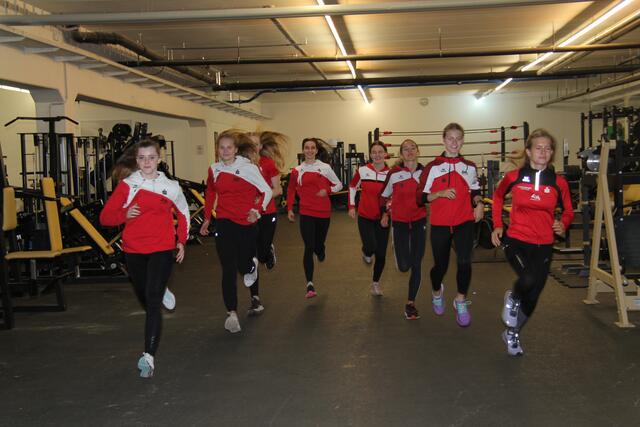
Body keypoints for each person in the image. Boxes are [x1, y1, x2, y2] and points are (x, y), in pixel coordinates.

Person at [100, 139, 189, 378]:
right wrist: (124, 214)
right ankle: (161, 291)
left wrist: (181, 240)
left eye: (151, 157)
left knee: (151, 302)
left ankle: (148, 356)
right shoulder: (128, 185)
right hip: (134, 250)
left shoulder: (171, 186)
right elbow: (105, 218)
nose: (147, 162)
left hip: (162, 247)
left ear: (159, 159)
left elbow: (183, 214)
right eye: (142, 158)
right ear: (136, 161)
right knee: (144, 295)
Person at [490, 128, 573, 356]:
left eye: (547, 148)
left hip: (544, 243)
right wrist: (498, 224)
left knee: (534, 294)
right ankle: (513, 297)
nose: (543, 152)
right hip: (516, 240)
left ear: (552, 152)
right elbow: (497, 198)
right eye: (538, 148)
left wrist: (563, 224)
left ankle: (513, 332)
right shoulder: (514, 177)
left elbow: (568, 211)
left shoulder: (558, 182)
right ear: (528, 151)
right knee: (526, 279)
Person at [200, 130, 273, 333]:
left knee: (243, 265)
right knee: (228, 268)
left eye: (229, 147)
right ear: (217, 150)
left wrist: (256, 212)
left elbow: (266, 190)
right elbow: (211, 192)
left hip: (246, 222)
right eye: (221, 147)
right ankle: (231, 313)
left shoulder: (248, 168)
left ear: (235, 149)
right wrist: (207, 218)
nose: (225, 151)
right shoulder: (214, 169)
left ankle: (251, 266)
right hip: (224, 222)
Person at [418, 123, 484, 327]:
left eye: (458, 138)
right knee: (441, 266)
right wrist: (438, 194)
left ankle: (460, 300)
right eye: (450, 138)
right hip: (440, 224)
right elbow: (420, 198)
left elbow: (474, 191)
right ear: (443, 140)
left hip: (464, 221)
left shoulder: (470, 166)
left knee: (464, 261)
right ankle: (437, 291)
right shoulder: (432, 167)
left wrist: (479, 203)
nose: (454, 142)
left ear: (463, 140)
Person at [287, 137, 343, 298]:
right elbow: (291, 190)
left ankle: (321, 249)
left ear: (316, 151)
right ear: (303, 150)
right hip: (306, 212)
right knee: (308, 246)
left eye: (312, 148)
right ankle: (310, 284)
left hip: (323, 212)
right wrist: (290, 208)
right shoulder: (297, 170)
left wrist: (328, 191)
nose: (310, 150)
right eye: (307, 148)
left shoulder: (325, 168)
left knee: (318, 245)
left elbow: (338, 184)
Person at [380, 139, 427, 319]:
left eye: (412, 148)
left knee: (416, 263)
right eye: (405, 149)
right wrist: (385, 214)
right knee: (404, 266)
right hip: (399, 222)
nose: (409, 152)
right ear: (401, 154)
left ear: (418, 151)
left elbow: (433, 194)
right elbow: (383, 196)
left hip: (419, 221)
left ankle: (411, 303)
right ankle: (400, 259)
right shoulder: (394, 174)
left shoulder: (426, 173)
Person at [348, 141, 390, 296]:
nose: (377, 155)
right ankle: (366, 252)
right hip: (365, 216)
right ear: (370, 154)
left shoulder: (390, 173)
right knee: (371, 246)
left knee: (381, 254)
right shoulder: (363, 170)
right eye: (374, 152)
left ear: (385, 154)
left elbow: (393, 196)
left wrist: (389, 212)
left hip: (383, 217)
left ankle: (375, 283)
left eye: (380, 152)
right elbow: (352, 186)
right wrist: (352, 206)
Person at [249, 131, 287, 270]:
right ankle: (254, 290)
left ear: (260, 146)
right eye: (250, 144)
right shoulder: (240, 165)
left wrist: (262, 198)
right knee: (251, 249)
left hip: (267, 212)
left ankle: (268, 251)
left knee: (262, 254)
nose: (253, 147)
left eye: (256, 144)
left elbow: (278, 189)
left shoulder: (268, 163)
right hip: (248, 213)